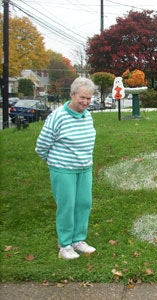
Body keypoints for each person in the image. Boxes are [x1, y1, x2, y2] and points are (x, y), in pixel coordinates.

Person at [35, 77, 97, 260]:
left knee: (83, 204)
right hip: (63, 169)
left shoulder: (87, 114)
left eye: (89, 98)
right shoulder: (58, 116)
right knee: (67, 206)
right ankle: (65, 245)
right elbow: (41, 146)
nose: (85, 102)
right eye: (82, 98)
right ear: (72, 95)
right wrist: (56, 163)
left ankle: (78, 240)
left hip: (84, 168)